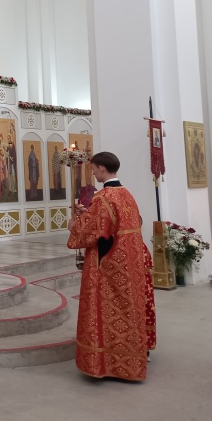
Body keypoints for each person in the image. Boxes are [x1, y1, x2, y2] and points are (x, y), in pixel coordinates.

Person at [67, 151, 155, 381]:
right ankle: (132, 359)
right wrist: (89, 214)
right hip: (129, 263)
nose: (94, 173)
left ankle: (106, 363)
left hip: (107, 265)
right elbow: (115, 224)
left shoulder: (103, 197)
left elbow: (89, 233)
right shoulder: (126, 194)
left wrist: (74, 225)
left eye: (94, 169)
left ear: (102, 168)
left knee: (106, 311)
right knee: (126, 310)